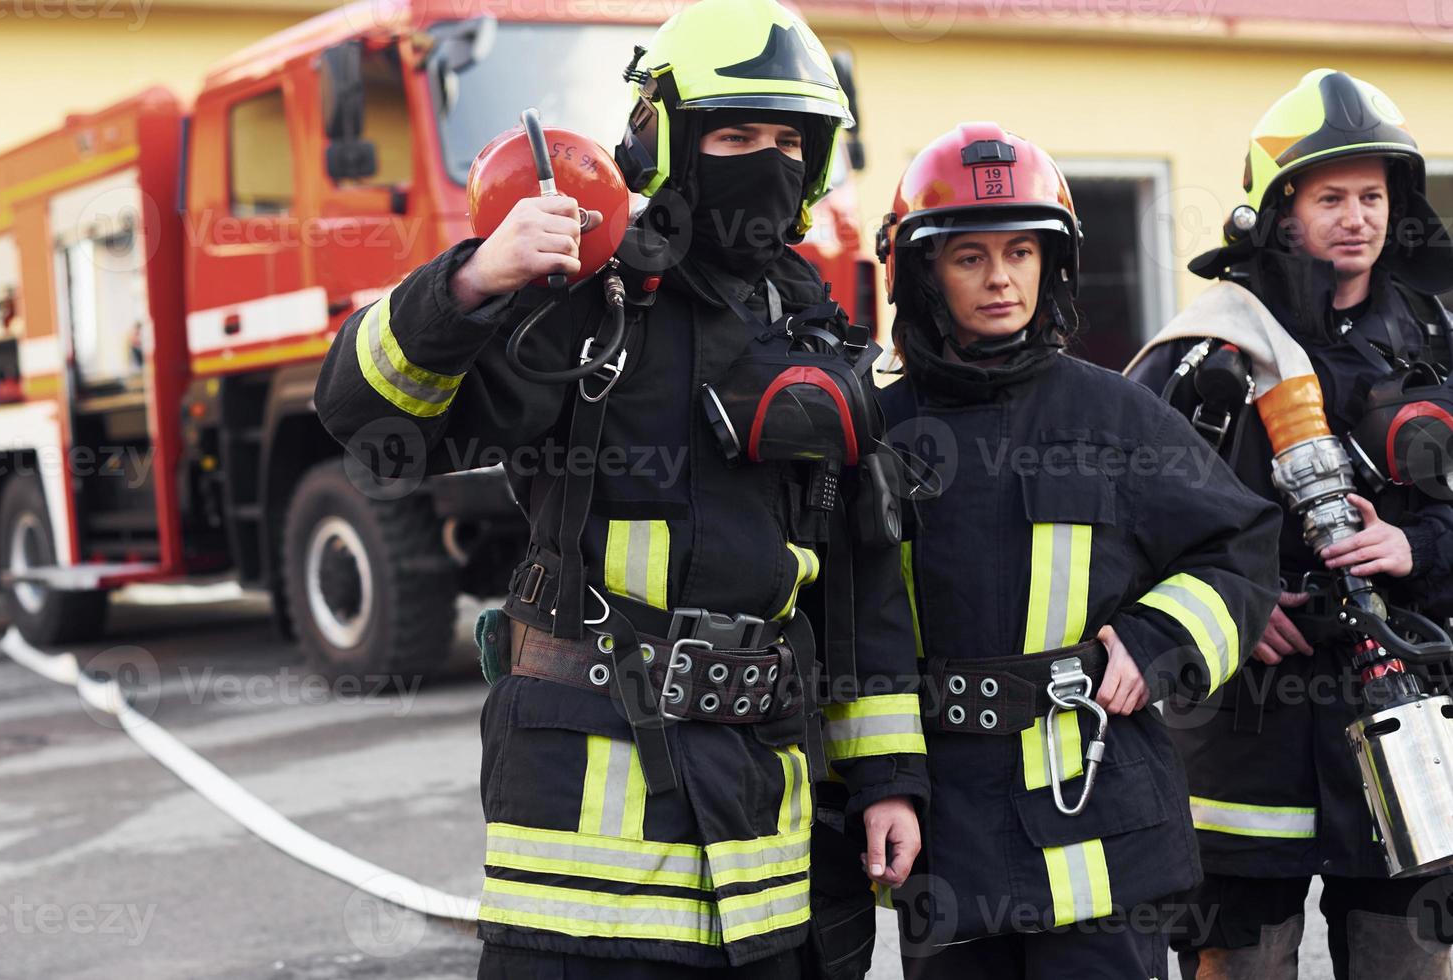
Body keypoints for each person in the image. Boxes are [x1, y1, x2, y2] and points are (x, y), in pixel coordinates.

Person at [314, 0, 928, 976]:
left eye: (786, 139)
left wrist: (889, 776)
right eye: (733, 134)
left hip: (768, 824)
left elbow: (862, 582)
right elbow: (374, 421)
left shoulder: (820, 334)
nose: (762, 160)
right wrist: (473, 281)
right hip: (578, 834)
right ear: (666, 140)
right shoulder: (592, 300)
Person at [874, 122, 1281, 978]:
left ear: (1050, 266)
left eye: (1021, 252)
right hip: (949, 831)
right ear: (923, 275)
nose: (999, 279)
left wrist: (1160, 638)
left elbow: (1239, 542)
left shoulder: (1114, 414)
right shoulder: (880, 430)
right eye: (969, 257)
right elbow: (856, 626)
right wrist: (882, 786)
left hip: (1100, 822)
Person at [1128, 69, 1453, 979]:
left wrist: (1416, 545)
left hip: (1402, 716)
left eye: (1373, 197)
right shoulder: (1205, 352)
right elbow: (1119, 522)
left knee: (1405, 956)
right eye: (1330, 197)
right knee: (1242, 958)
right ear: (1278, 212)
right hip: (1242, 731)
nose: (1357, 217)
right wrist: (1227, 601)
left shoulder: (1434, 344)